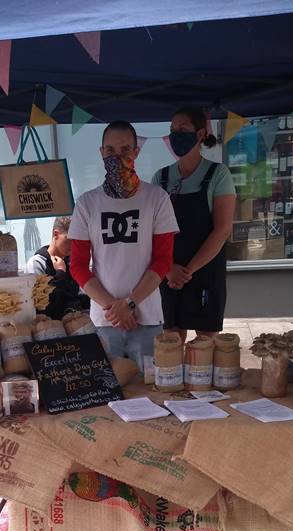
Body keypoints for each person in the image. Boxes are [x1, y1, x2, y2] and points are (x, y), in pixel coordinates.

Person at [68, 120, 178, 370]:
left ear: (136, 152)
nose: (117, 156)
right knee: (108, 389)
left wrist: (130, 303)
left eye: (125, 150)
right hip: (105, 321)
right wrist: (115, 308)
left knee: (149, 388)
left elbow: (163, 260)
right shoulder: (86, 203)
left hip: (147, 318)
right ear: (101, 152)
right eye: (110, 150)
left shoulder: (157, 199)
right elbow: (78, 265)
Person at [152, 106, 236, 341]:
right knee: (171, 342)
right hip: (169, 273)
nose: (175, 134)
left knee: (205, 345)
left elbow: (222, 230)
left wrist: (188, 271)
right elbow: (151, 231)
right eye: (172, 129)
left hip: (205, 271)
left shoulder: (218, 174)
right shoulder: (161, 178)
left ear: (200, 134)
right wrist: (168, 268)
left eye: (182, 129)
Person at [24, 216, 88, 319]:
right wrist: (60, 273)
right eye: (70, 239)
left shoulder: (72, 263)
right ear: (56, 234)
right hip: (50, 324)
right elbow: (42, 303)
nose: (73, 245)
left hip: (75, 322)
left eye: (77, 241)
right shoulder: (37, 264)